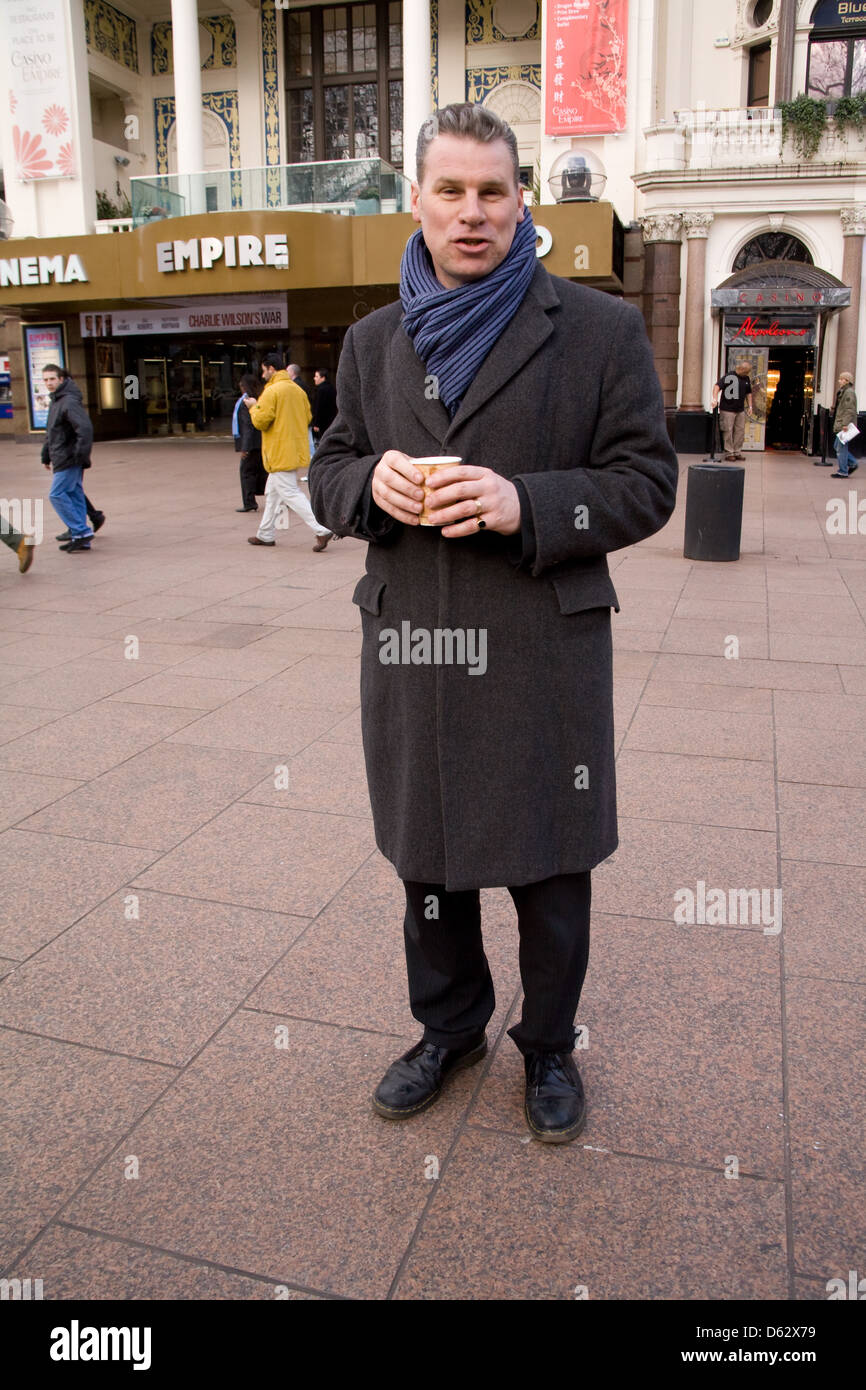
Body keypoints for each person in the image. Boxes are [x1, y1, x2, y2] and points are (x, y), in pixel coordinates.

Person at [309, 103, 678, 1144]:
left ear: (522, 200)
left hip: (539, 651)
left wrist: (530, 504)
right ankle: (448, 1029)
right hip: (414, 649)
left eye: (491, 192)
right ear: (415, 200)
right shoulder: (372, 341)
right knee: (428, 866)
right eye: (449, 191)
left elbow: (648, 482)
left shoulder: (598, 328)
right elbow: (325, 469)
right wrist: (366, 483)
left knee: (550, 869)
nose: (471, 214)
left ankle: (550, 1046)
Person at [244, 352, 335, 552]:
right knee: (273, 494)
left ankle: (321, 528)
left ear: (271, 368)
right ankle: (265, 533)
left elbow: (261, 420)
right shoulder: (297, 390)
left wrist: (253, 407)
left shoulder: (271, 391)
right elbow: (307, 416)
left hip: (278, 451)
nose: (262, 375)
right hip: (292, 448)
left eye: (264, 370)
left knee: (290, 493)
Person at [40, 365, 100, 553]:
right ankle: (81, 537)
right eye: (46, 380)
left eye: (52, 379)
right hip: (62, 456)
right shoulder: (57, 401)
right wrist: (46, 454)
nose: (49, 383)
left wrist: (79, 455)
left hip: (68, 458)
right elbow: (51, 432)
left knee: (56, 495)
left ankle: (81, 532)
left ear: (61, 379)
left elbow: (85, 429)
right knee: (74, 494)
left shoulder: (68, 401)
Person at [233, 372, 266, 512]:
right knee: (264, 471)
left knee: (246, 471)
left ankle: (249, 502)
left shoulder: (246, 401)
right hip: (262, 442)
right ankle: (280, 499)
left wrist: (245, 448)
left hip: (252, 444)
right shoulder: (260, 398)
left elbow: (248, 426)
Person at [711, 359, 753, 460]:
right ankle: (729, 453)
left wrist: (750, 406)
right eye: (746, 371)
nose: (747, 373)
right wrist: (715, 399)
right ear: (741, 369)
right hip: (727, 409)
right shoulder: (729, 376)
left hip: (740, 409)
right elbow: (717, 386)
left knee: (740, 431)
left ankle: (737, 451)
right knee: (728, 430)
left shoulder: (746, 378)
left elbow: (749, 393)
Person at [830, 371, 859, 479]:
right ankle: (852, 463)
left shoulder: (849, 393)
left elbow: (849, 409)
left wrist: (845, 424)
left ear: (847, 380)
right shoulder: (844, 392)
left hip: (844, 425)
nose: (839, 381)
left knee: (840, 447)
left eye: (841, 379)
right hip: (843, 424)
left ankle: (843, 471)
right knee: (838, 446)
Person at [287, 362, 316, 456]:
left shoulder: (295, 385)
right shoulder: (303, 384)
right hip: (305, 416)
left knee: (307, 440)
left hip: (300, 417)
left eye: (287, 371)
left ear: (292, 372)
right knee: (308, 439)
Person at [312, 368, 338, 447]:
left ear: (323, 378)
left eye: (316, 376)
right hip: (331, 420)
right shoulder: (332, 388)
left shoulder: (321, 390)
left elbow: (319, 408)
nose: (314, 378)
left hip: (322, 423)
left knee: (320, 443)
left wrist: (316, 423)